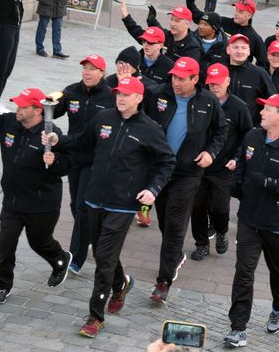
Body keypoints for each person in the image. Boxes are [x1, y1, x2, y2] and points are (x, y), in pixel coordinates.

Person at [44, 76, 176, 338]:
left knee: (103, 259)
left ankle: (95, 316)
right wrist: (59, 142)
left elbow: (167, 162)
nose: (121, 98)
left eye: (127, 94)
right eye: (118, 93)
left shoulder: (149, 128)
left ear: (139, 98)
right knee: (103, 252)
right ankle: (121, 283)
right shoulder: (105, 117)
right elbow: (82, 140)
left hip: (123, 204)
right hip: (94, 197)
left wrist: (153, 189)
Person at [0, 85, 73, 304]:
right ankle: (2, 286)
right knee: (6, 244)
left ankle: (60, 258)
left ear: (37, 110)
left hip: (42, 203)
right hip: (13, 200)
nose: (18, 108)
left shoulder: (50, 133)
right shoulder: (9, 122)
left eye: (23, 106)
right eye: (17, 104)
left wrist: (55, 161)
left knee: (39, 242)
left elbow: (67, 166)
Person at [225, 94, 279, 348]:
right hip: (249, 218)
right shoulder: (252, 137)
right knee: (243, 272)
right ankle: (238, 328)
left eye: (267, 109)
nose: (261, 112)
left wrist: (268, 182)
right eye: (262, 108)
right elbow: (242, 164)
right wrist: (237, 186)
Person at [144, 56, 228, 304]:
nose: (176, 82)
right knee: (164, 222)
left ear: (195, 79)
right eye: (173, 77)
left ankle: (163, 281)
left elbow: (221, 130)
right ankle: (174, 255)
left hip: (188, 173)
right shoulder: (157, 94)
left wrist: (210, 153)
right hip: (159, 171)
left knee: (175, 226)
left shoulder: (208, 102)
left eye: (182, 79)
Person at [52, 55, 114, 273]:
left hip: (96, 160)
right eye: (85, 68)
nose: (87, 72)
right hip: (74, 156)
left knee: (81, 206)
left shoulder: (110, 96)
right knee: (75, 206)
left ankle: (75, 258)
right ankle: (87, 235)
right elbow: (51, 111)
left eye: (93, 69)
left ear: (102, 73)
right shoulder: (71, 92)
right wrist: (42, 106)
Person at [190, 63, 253, 261]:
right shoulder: (200, 102)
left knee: (219, 208)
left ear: (227, 81)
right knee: (197, 206)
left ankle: (221, 231)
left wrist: (237, 158)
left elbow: (248, 136)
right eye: (210, 84)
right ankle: (201, 244)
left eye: (217, 84)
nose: (214, 87)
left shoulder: (239, 107)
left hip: (224, 168)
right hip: (199, 165)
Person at [187, 0, 267, 66]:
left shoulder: (254, 37)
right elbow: (202, 18)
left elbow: (263, 62)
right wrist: (190, 2)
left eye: (241, 12)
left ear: (249, 15)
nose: (236, 13)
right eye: (236, 10)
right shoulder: (223, 22)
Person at [226, 34, 276, 124]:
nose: (240, 51)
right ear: (228, 50)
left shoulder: (259, 74)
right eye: (235, 47)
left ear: (249, 51)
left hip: (249, 130)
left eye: (243, 48)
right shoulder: (220, 70)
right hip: (221, 129)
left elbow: (273, 102)